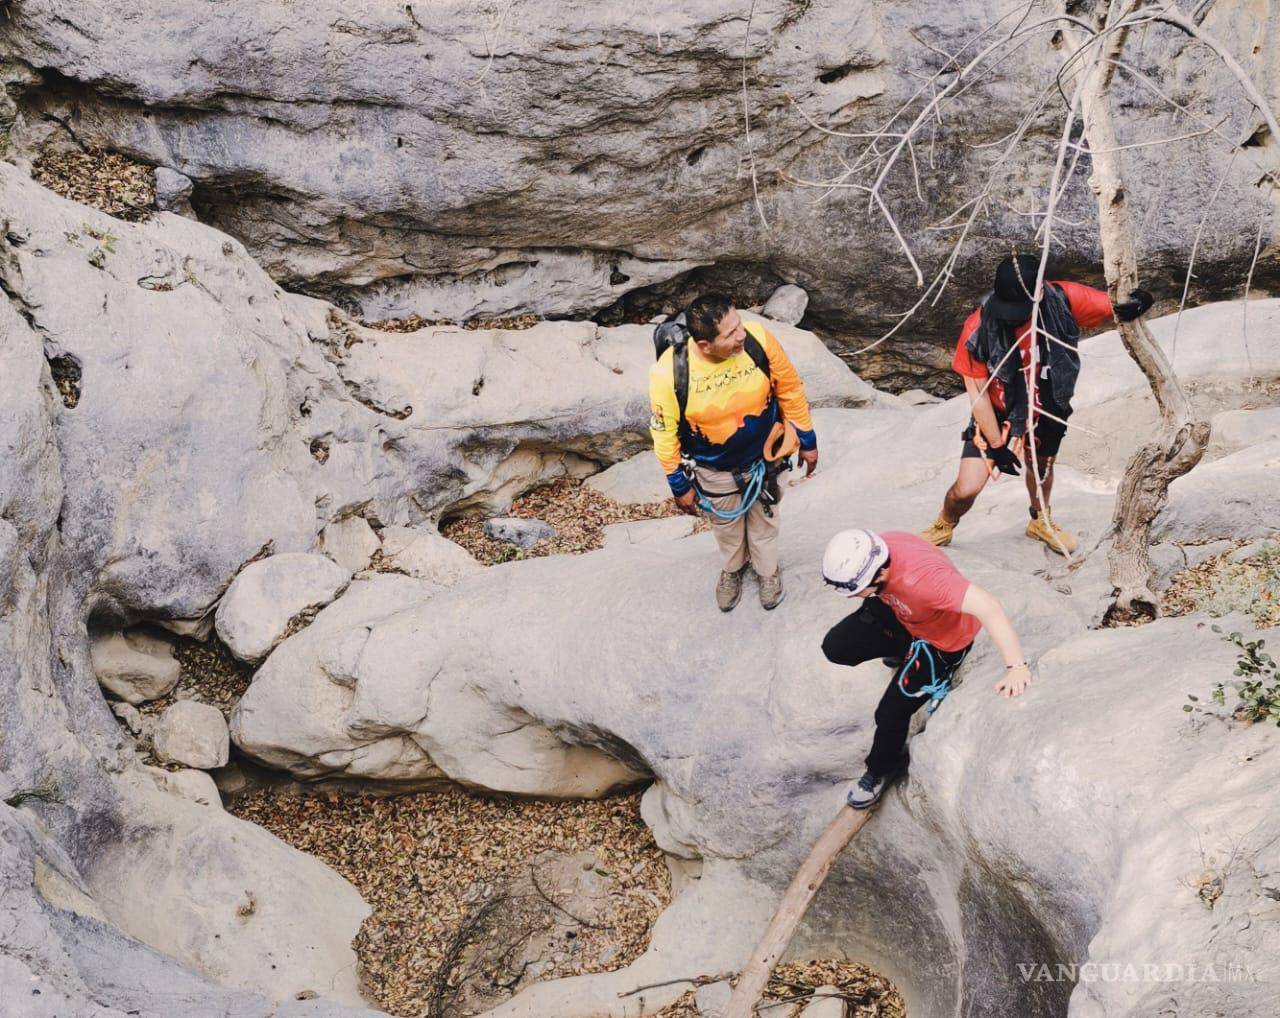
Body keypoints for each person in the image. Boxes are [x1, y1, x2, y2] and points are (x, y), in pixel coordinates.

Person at [920, 254, 1154, 555]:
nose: (1011, 316)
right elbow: (977, 396)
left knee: (1041, 468)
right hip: (999, 413)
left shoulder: (1061, 300)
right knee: (966, 489)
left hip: (1048, 407)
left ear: (1039, 293)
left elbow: (1115, 306)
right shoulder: (978, 328)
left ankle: (1040, 520)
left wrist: (1141, 301)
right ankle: (944, 523)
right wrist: (997, 445)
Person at [820, 528, 1031, 808]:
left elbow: (988, 606)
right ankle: (901, 648)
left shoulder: (926, 581)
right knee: (837, 646)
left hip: (941, 640)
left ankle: (881, 769)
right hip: (904, 612)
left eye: (857, 591)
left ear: (879, 574)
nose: (854, 596)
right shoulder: (879, 548)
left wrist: (1016, 666)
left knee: (890, 713)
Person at [649, 293, 818, 611]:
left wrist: (807, 439)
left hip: (766, 457)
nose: (741, 334)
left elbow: (790, 387)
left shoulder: (759, 340)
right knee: (725, 525)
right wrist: (678, 484)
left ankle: (767, 570)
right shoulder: (669, 373)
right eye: (730, 334)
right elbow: (664, 433)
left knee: (765, 518)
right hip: (715, 467)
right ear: (704, 346)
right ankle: (734, 567)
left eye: (738, 324)